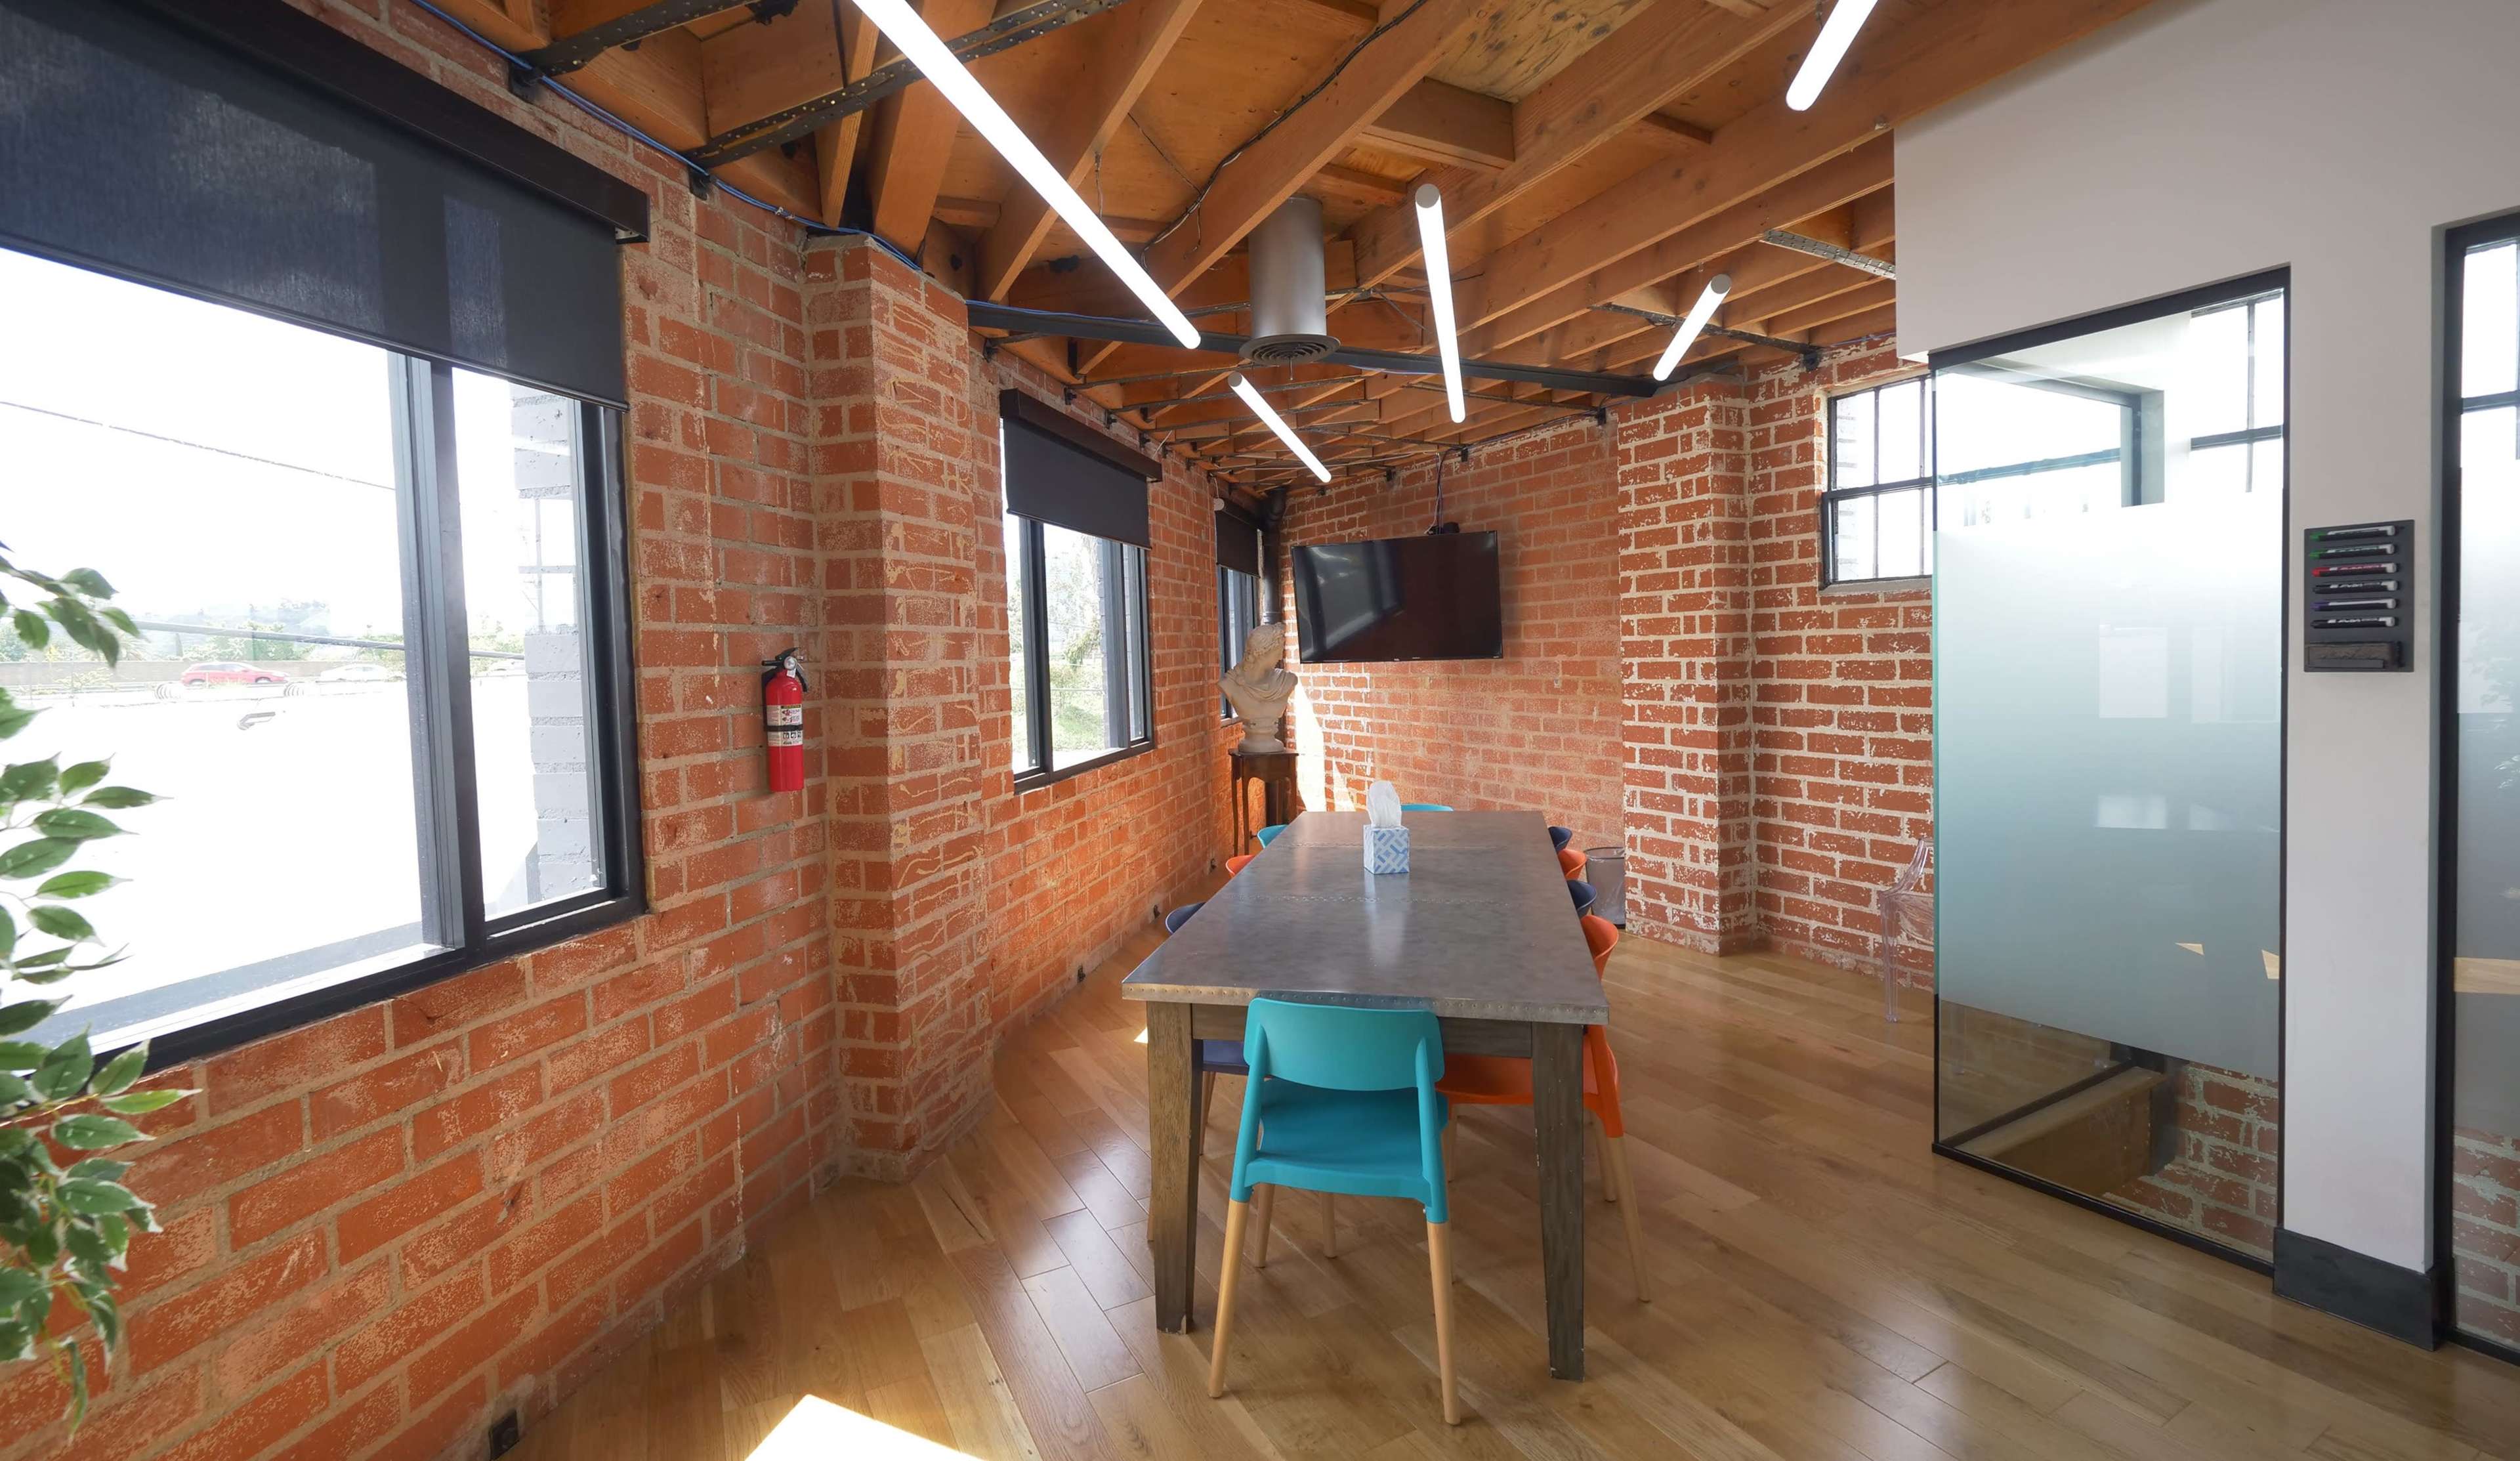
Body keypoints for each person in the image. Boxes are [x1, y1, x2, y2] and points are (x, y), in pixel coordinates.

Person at [1221, 622, 1297, 753]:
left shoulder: (1286, 681)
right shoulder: (1230, 684)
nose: (1280, 657)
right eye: (1278, 651)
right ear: (1263, 652)